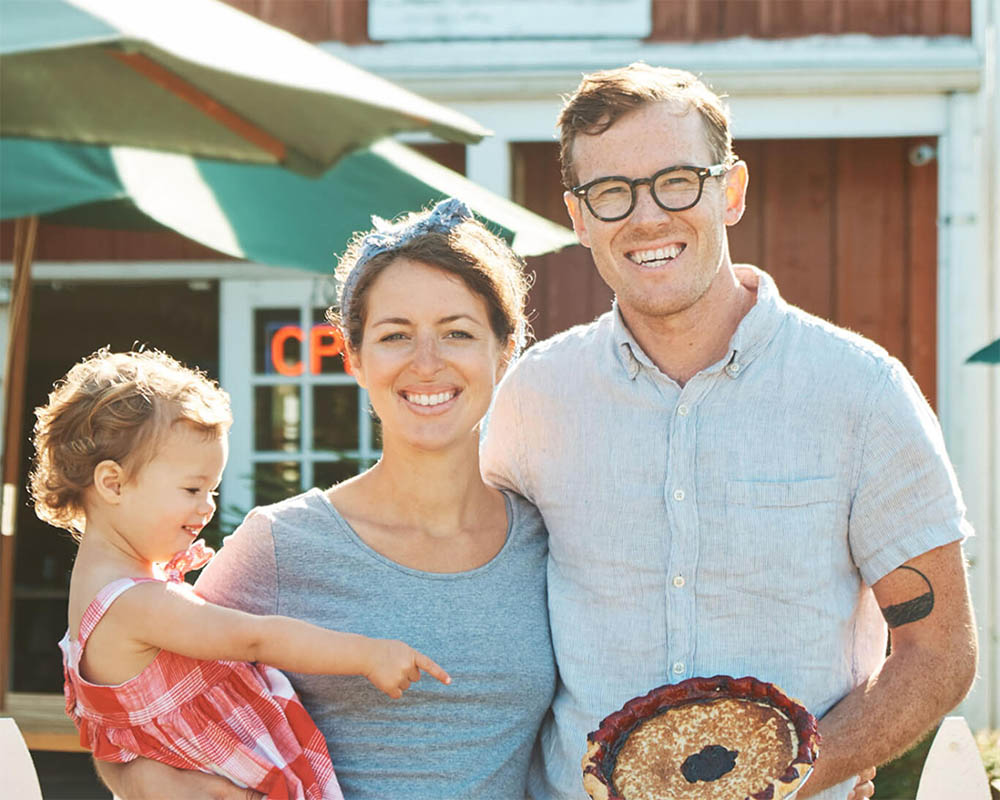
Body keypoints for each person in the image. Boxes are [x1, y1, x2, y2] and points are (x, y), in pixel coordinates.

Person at [481, 63, 978, 800]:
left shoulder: (861, 391)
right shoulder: (532, 398)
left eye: (676, 180)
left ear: (731, 191)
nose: (646, 217)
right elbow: (482, 606)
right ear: (579, 218)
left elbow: (939, 653)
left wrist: (794, 776)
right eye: (611, 192)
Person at [94, 198, 556, 800]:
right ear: (354, 358)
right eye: (395, 335)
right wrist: (158, 786)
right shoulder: (282, 543)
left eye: (457, 332)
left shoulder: (544, 540)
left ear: (505, 349)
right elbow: (131, 719)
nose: (427, 363)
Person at [33, 348, 451, 800]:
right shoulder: (135, 604)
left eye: (211, 489)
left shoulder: (103, 593)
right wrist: (368, 655)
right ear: (113, 483)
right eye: (192, 488)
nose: (208, 504)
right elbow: (257, 638)